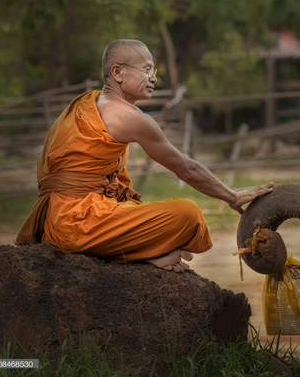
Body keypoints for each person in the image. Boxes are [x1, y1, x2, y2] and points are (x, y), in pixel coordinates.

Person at [14, 39, 274, 272]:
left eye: (155, 71)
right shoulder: (131, 117)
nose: (154, 78)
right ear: (117, 72)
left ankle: (143, 253)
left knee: (141, 206)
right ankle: (144, 253)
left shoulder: (84, 103)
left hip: (51, 221)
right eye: (147, 69)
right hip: (77, 224)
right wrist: (232, 196)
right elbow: (187, 169)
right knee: (188, 214)